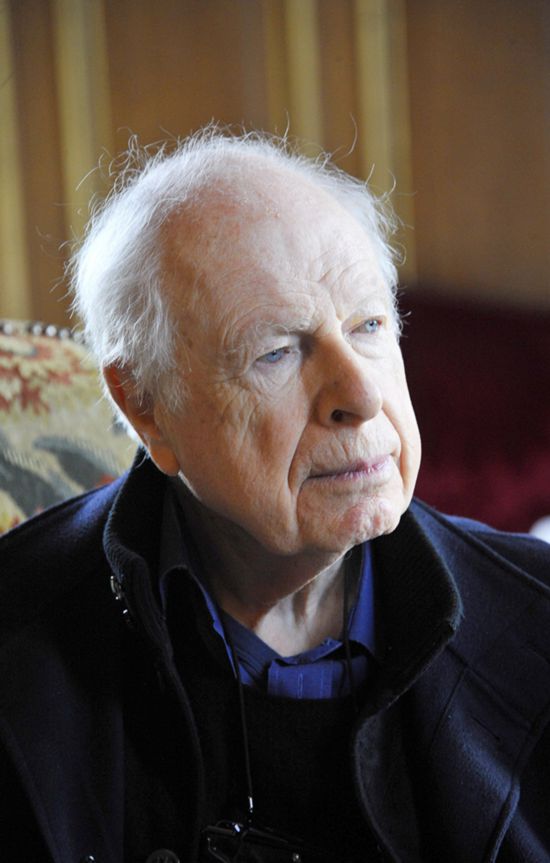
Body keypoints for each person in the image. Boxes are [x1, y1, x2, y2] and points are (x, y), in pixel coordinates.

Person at [1, 128, 549, 863]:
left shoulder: (537, 618)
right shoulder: (18, 644)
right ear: (145, 406)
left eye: (369, 325)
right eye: (276, 353)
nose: (361, 395)